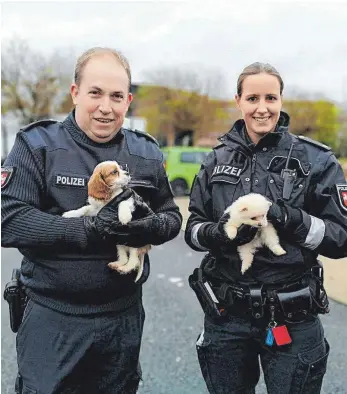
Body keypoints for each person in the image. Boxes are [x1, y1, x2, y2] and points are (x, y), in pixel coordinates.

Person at [1, 47, 182, 394]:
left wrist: (150, 228)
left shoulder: (146, 153)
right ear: (75, 93)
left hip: (121, 319)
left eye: (116, 96)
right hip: (52, 318)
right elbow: (9, 220)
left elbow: (172, 217)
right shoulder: (36, 144)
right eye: (95, 93)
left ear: (128, 101)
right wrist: (88, 229)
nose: (105, 106)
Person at [185, 62, 347, 394]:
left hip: (292, 317)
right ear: (238, 100)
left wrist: (290, 219)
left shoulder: (317, 161)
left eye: (271, 98)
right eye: (253, 98)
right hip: (226, 316)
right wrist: (217, 233)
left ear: (281, 100)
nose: (262, 108)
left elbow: (341, 239)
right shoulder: (214, 161)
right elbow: (192, 228)